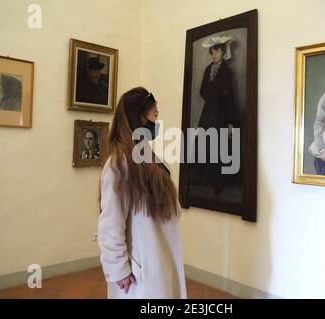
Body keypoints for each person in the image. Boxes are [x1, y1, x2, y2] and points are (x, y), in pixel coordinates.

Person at [97, 87, 187, 299]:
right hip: (141, 271)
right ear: (139, 118)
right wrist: (119, 270)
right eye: (155, 115)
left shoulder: (150, 157)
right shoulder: (119, 164)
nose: (158, 121)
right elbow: (110, 223)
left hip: (161, 259)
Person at [193, 36, 236, 195]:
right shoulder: (207, 69)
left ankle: (219, 183)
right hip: (209, 112)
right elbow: (203, 91)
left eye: (216, 52)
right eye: (212, 52)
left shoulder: (227, 72)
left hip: (222, 113)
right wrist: (214, 96)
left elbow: (230, 96)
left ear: (223, 52)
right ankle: (205, 179)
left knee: (220, 148)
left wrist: (230, 120)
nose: (214, 55)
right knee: (204, 144)